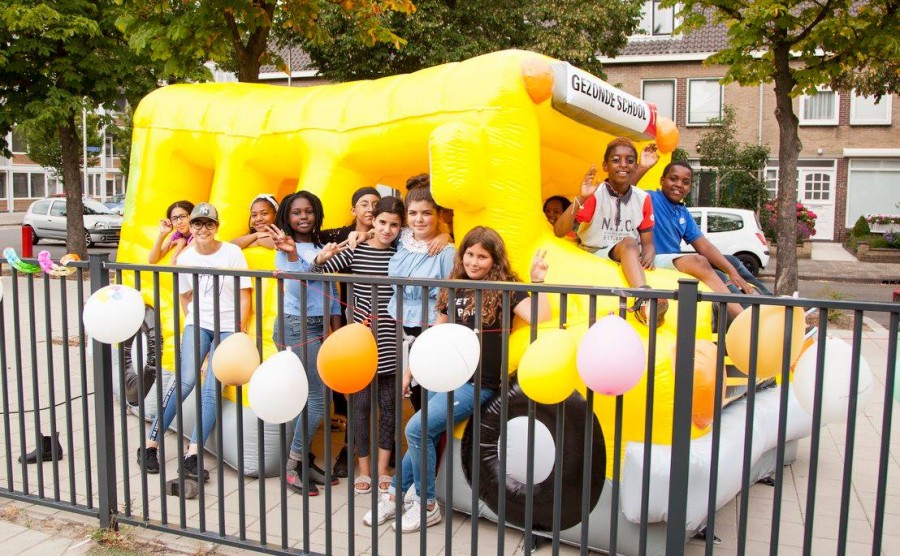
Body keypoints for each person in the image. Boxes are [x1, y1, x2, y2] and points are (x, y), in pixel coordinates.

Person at [364, 226, 551, 532]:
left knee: (417, 429)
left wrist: (538, 281)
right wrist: (411, 370)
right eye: (469, 254)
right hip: (447, 376)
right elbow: (435, 333)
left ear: (495, 260)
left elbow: (539, 317)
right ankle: (397, 496)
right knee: (421, 433)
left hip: (479, 383)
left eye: (482, 256)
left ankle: (426, 504)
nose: (474, 262)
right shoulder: (454, 286)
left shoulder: (506, 288)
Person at [136, 203, 252, 481]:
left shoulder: (232, 253)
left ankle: (193, 454)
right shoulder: (186, 256)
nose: (202, 229)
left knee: (212, 388)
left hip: (227, 326)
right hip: (198, 323)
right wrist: (194, 320)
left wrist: (237, 329)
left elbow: (245, 293)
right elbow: (184, 295)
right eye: (198, 224)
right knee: (186, 380)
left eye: (208, 224)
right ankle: (151, 444)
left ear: (216, 226)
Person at [311, 196, 405, 495]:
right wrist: (319, 258)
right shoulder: (357, 249)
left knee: (390, 408)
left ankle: (382, 468)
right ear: (372, 221)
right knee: (361, 407)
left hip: (392, 335)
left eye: (394, 224)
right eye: (382, 222)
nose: (387, 229)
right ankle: (364, 469)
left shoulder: (402, 253)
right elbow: (317, 272)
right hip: (360, 339)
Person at [264, 192, 342, 496]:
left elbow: (331, 292)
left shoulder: (322, 246)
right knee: (318, 398)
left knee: (312, 397)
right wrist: (296, 257)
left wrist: (335, 328)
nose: (304, 217)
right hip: (298, 326)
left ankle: (305, 459)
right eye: (296, 212)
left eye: (309, 211)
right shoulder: (284, 249)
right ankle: (293, 465)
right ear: (287, 216)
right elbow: (295, 289)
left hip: (322, 327)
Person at [553, 137, 668, 327]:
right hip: (599, 250)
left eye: (630, 161)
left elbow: (647, 240)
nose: (623, 165)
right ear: (605, 165)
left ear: (635, 165)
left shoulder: (643, 198)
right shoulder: (595, 194)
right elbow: (559, 231)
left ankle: (732, 307)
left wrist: (649, 251)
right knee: (629, 242)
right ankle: (643, 299)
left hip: (632, 253)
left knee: (697, 261)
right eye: (616, 160)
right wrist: (582, 196)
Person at [319, 186, 382, 477]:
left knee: (381, 390)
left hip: (381, 320)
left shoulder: (389, 234)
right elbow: (308, 248)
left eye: (375, 204)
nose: (370, 209)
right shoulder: (339, 236)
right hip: (346, 318)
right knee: (350, 387)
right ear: (353, 209)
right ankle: (350, 447)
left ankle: (378, 449)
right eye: (364, 204)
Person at [648, 161, 762, 320]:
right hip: (657, 260)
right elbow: (627, 190)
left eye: (685, 182)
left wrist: (733, 273)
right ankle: (745, 318)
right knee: (715, 273)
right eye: (673, 179)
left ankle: (770, 301)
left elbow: (704, 246)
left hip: (674, 261)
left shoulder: (683, 212)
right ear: (662, 180)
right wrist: (644, 166)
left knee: (731, 262)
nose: (679, 185)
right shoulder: (650, 198)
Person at [388, 175, 456, 412]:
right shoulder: (401, 239)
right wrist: (360, 235)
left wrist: (445, 235)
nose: (419, 219)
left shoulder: (446, 251)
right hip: (397, 325)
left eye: (426, 213)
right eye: (413, 213)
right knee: (414, 398)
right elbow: (376, 228)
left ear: (438, 215)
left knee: (428, 397)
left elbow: (448, 299)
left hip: (429, 327)